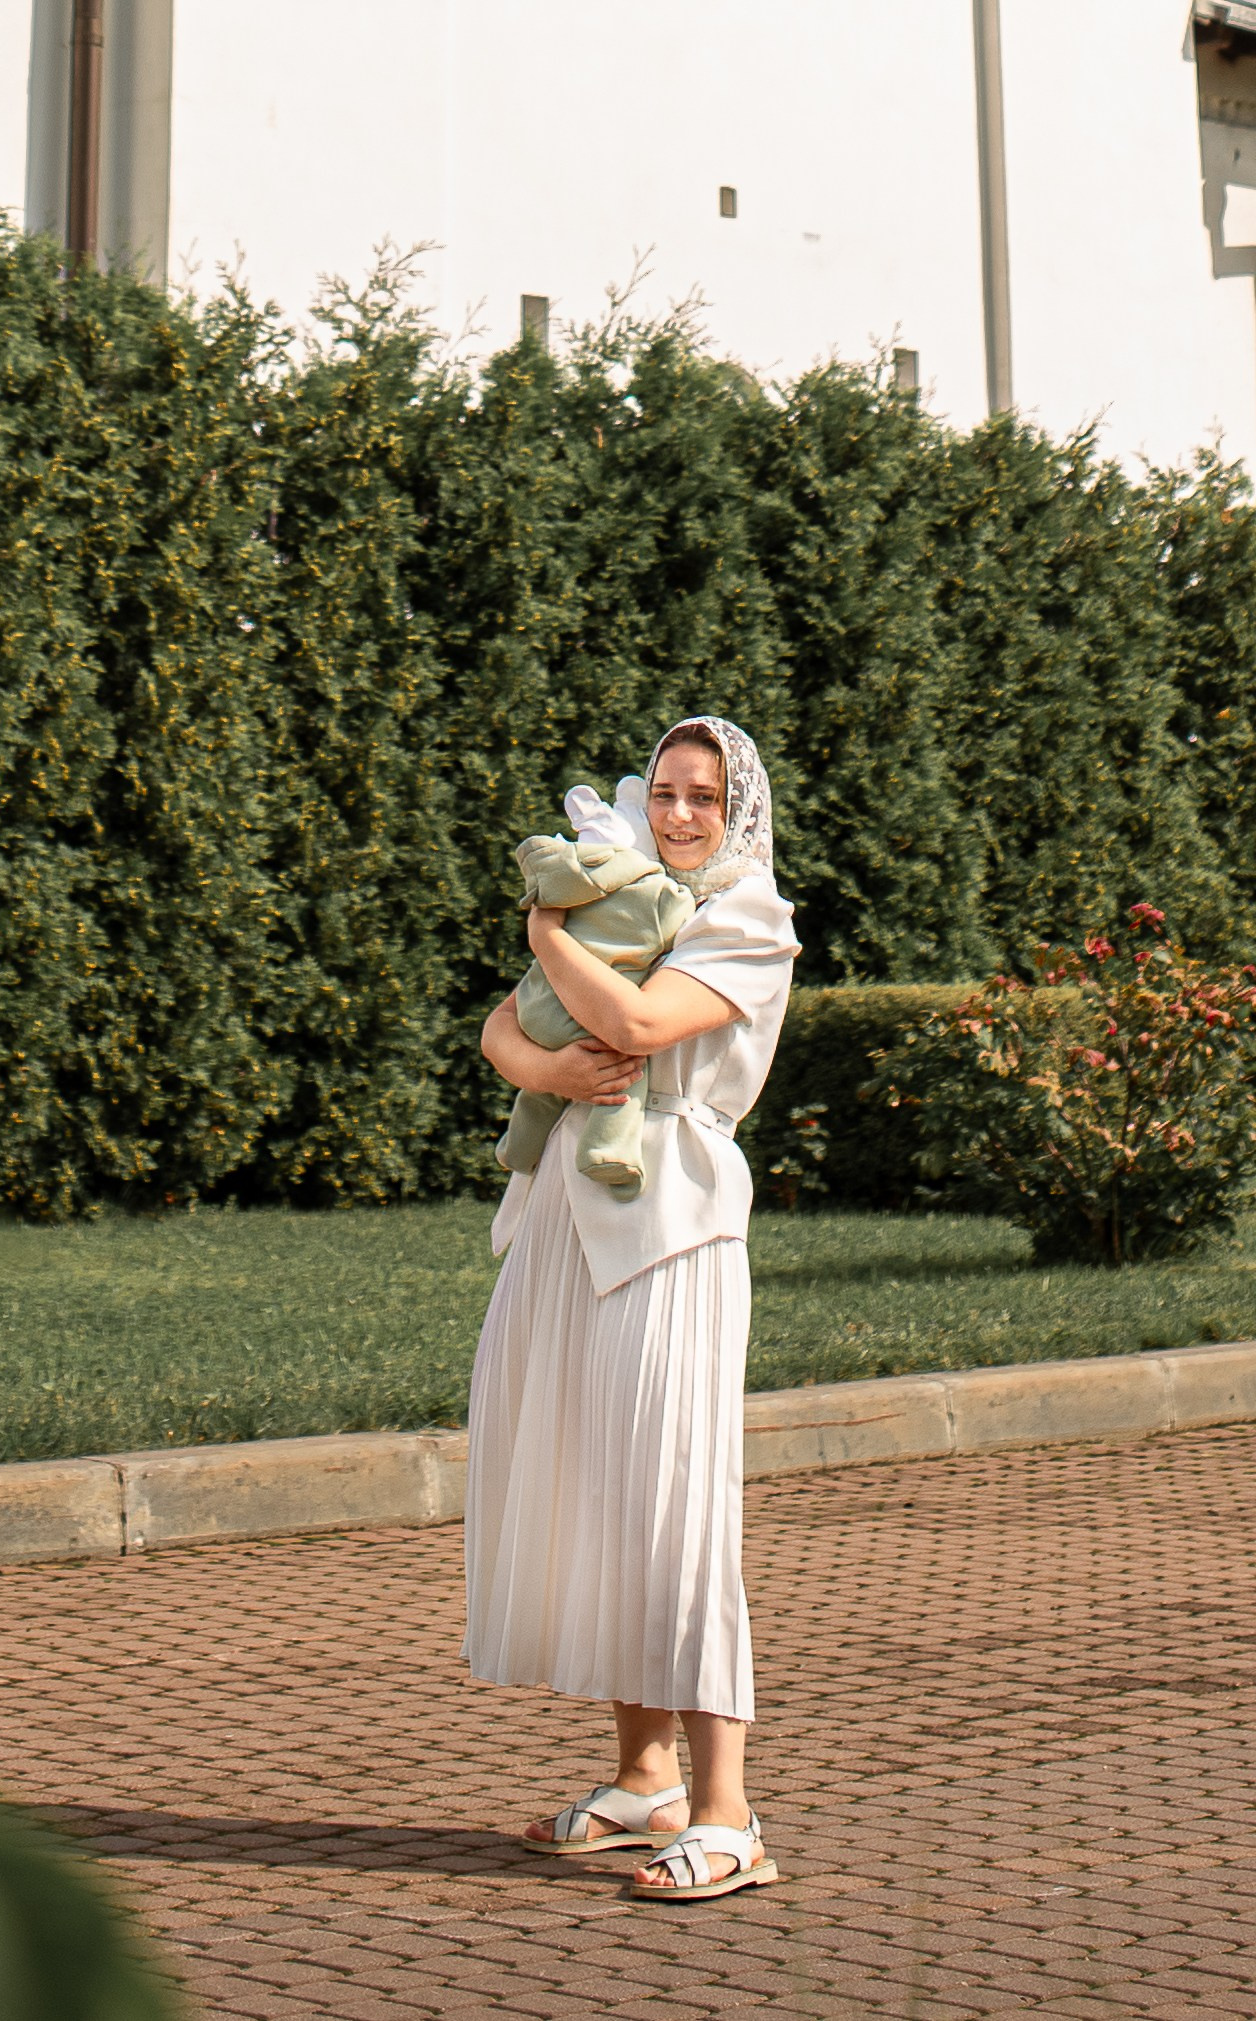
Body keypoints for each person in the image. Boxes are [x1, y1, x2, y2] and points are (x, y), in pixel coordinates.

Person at [464, 713, 799, 1904]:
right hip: (565, 1211)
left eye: (704, 797)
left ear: (736, 809)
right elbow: (507, 1027)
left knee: (673, 1498)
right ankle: (646, 1774)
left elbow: (641, 1025)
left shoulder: (748, 918)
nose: (677, 814)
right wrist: (538, 1071)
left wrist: (545, 925)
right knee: (595, 1485)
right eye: (663, 790)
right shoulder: (628, 902)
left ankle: (728, 1811)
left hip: (673, 1219)